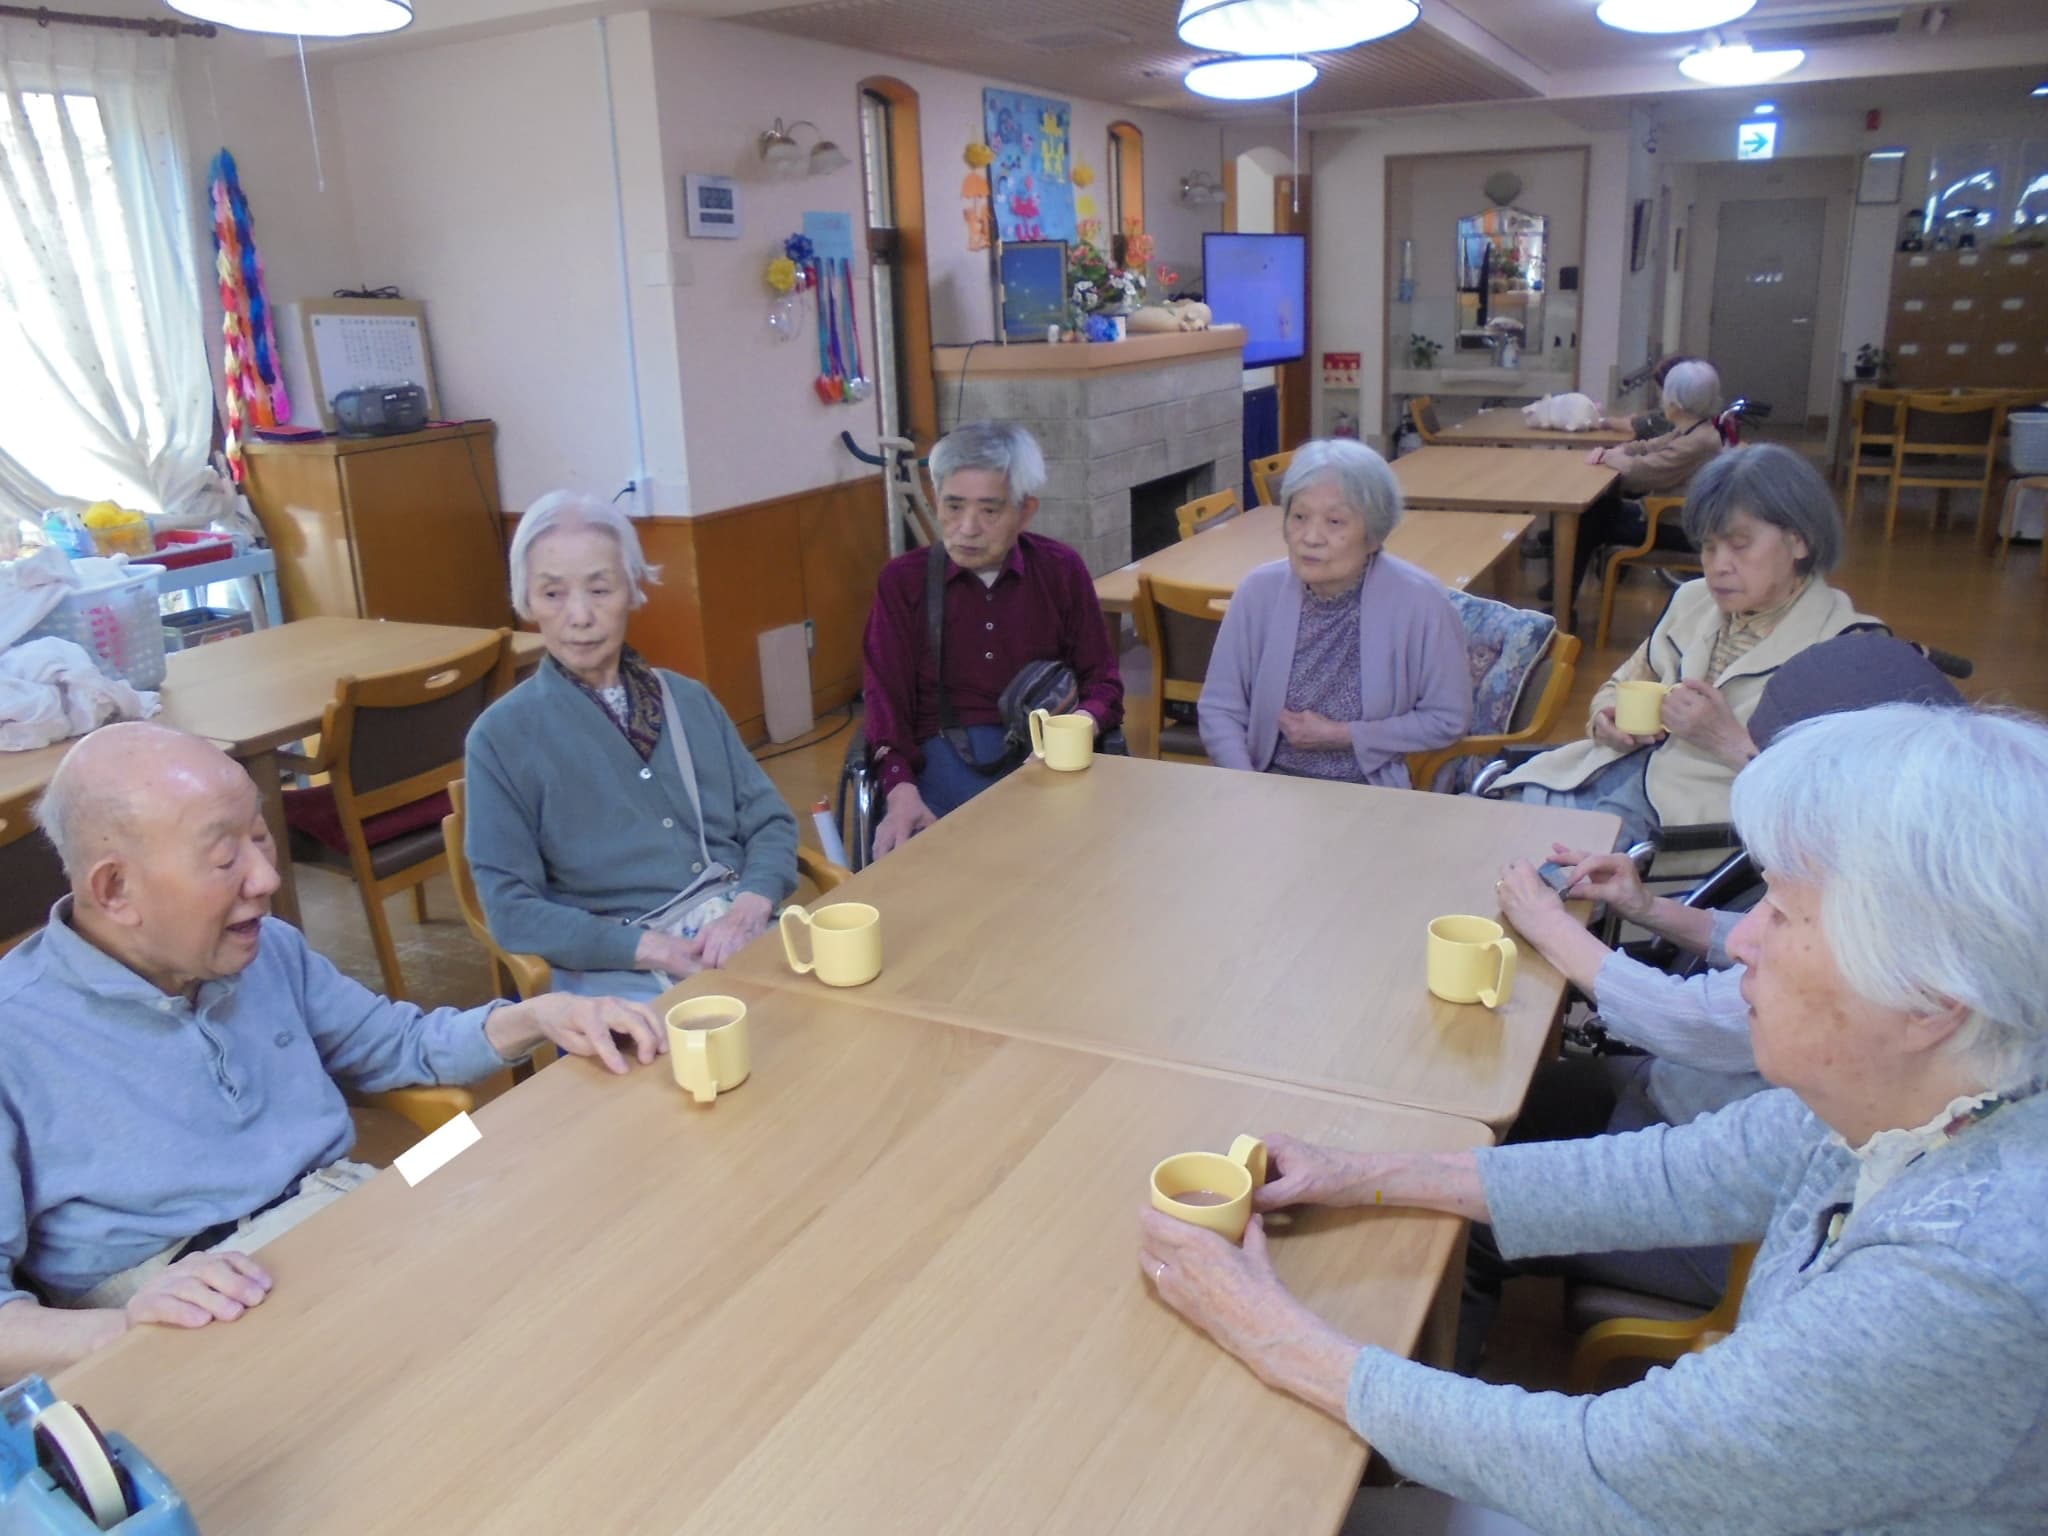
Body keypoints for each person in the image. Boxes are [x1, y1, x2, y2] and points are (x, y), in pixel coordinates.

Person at [1140, 703, 2048, 1534]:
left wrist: (1269, 1329)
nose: (1739, 939)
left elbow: (1609, 1468)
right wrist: (1361, 1173)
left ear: (1932, 998)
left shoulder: (1961, 1279)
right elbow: (1665, 1177)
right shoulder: (1915, 1100)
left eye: (1783, 913)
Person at [0, 724, 664, 1379]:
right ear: (115, 890)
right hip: (198, 1308)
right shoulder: (15, 1033)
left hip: (355, 1198)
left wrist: (542, 1014)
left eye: (261, 835)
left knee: (546, 1202)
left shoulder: (266, 947)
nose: (266, 877)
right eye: (225, 859)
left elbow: (401, 1045)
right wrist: (122, 1330)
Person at [466, 491, 799, 1000]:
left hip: (739, 932)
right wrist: (651, 949)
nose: (580, 615)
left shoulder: (689, 699)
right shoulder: (499, 739)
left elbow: (769, 820)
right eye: (552, 594)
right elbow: (511, 910)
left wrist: (751, 906)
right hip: (617, 970)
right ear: (526, 601)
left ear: (633, 590)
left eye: (600, 589)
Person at [1490, 444, 1879, 851]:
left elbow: (1832, 807)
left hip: (1684, 831)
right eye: (1708, 547)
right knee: (1481, 826)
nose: (1718, 566)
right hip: (1605, 774)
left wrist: (1729, 743)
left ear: (1800, 541)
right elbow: (1621, 684)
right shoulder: (1693, 601)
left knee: (1518, 864)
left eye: (1739, 545)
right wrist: (1606, 720)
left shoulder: (1847, 649)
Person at [862, 422, 1122, 857]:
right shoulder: (902, 582)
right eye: (953, 506)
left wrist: (1079, 726)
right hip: (938, 767)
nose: (967, 528)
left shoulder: (1061, 570)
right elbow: (884, 702)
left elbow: (1104, 685)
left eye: (989, 511)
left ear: (1026, 511)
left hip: (1046, 762)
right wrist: (899, 787)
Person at [1198, 439, 1471, 786]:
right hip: (1267, 784)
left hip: (1371, 790)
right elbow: (1219, 708)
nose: (1311, 537)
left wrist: (1345, 735)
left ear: (1374, 536)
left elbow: (1448, 719)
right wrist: (1246, 785)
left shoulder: (1421, 602)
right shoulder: (1257, 592)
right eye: (1299, 517)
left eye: (1335, 521)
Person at [1557, 359, 1728, 605]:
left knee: (1590, 519)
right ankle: (1561, 596)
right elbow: (1649, 447)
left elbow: (1641, 474)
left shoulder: (1697, 442)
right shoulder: (1694, 430)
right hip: (1671, 517)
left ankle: (1562, 603)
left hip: (1678, 526)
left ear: (1676, 402)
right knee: (1596, 511)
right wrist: (1618, 450)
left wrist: (1609, 457)